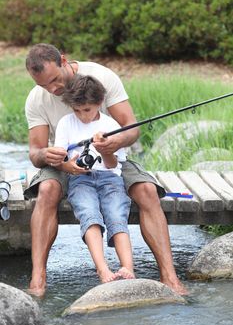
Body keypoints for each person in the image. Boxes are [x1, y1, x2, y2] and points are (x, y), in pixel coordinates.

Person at [24, 43, 187, 297]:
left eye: (55, 80)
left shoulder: (102, 77)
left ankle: (170, 277)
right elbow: (35, 153)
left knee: (146, 189)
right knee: (46, 189)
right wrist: (48, 154)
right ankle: (38, 279)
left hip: (110, 158)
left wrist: (114, 143)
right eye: (43, 85)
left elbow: (131, 128)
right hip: (62, 162)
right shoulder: (37, 98)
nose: (52, 89)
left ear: (64, 61)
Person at [54, 74, 135, 283]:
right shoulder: (66, 123)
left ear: (99, 103)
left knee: (117, 214)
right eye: (77, 110)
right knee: (89, 214)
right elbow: (61, 158)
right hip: (80, 180)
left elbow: (113, 164)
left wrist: (106, 149)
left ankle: (128, 267)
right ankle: (102, 269)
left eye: (87, 110)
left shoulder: (111, 124)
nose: (82, 116)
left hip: (110, 178)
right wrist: (69, 166)